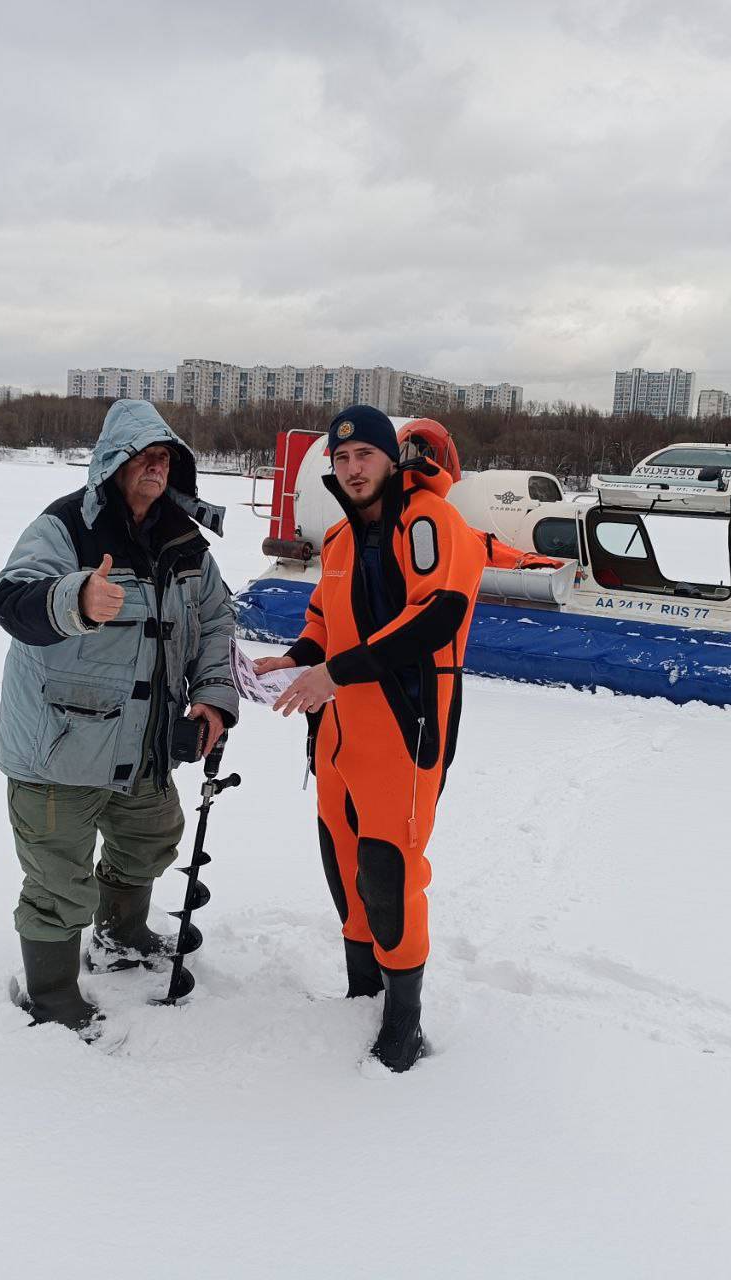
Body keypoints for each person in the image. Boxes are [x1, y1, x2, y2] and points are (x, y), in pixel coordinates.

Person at [0, 399, 238, 1034]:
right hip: (60, 750)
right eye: (144, 459)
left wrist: (212, 695)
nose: (156, 470)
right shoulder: (64, 528)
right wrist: (74, 598)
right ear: (112, 465)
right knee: (57, 880)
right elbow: (12, 597)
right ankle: (49, 995)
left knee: (151, 839)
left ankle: (121, 936)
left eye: (165, 459)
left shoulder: (184, 541)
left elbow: (213, 619)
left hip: (144, 748)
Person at [254, 405, 486, 1072]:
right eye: (342, 459)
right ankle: (362, 990)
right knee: (345, 864)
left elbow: (436, 619)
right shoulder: (339, 540)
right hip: (337, 736)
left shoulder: (433, 523)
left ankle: (403, 1022)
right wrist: (295, 658)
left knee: (389, 874)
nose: (352, 469)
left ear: (392, 458)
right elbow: (325, 622)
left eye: (365, 457)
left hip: (404, 728)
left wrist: (335, 671)